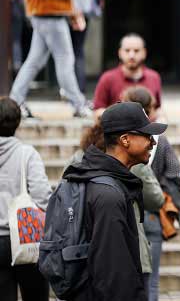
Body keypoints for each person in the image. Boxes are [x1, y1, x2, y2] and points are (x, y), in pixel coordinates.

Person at [62, 102, 167, 300]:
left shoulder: (113, 180)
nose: (152, 142)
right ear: (125, 140)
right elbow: (112, 273)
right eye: (146, 135)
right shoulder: (109, 194)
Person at [120, 86, 180, 301]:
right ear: (151, 109)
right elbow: (179, 175)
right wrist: (158, 183)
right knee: (151, 280)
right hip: (151, 214)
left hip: (124, 212)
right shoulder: (160, 140)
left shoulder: (119, 141)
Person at [0, 97, 52, 301]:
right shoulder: (27, 154)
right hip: (25, 236)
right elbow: (42, 196)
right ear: (18, 122)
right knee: (36, 294)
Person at [93, 33, 162, 119]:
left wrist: (161, 119)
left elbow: (157, 108)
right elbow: (97, 112)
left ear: (144, 53)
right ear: (120, 52)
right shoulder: (107, 78)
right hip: (118, 131)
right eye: (127, 50)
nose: (131, 55)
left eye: (136, 51)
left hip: (147, 131)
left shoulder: (154, 77)